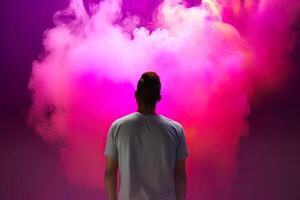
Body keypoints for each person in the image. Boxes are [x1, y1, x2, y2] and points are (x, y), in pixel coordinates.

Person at [104, 72, 189, 200]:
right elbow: (180, 175)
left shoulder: (118, 127)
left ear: (136, 95)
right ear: (159, 98)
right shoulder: (176, 129)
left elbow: (110, 173)